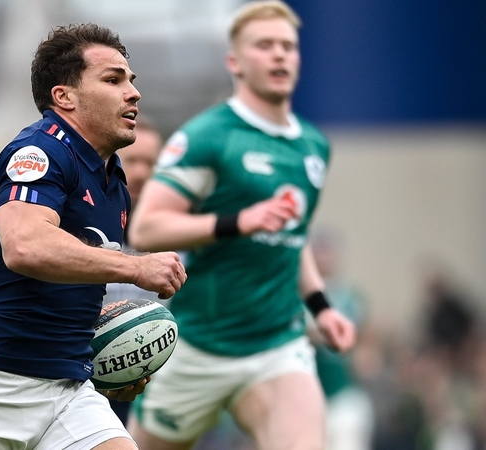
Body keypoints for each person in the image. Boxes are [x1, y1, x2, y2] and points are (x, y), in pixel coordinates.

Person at [0, 23, 186, 450]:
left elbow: (74, 285)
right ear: (64, 96)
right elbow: (25, 246)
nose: (133, 92)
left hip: (68, 390)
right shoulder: (40, 152)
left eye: (131, 81)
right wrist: (137, 267)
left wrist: (110, 357)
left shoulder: (113, 181)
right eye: (113, 79)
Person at [125, 2, 357, 450]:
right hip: (196, 345)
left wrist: (322, 306)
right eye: (265, 45)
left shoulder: (314, 145)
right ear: (235, 62)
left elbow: (292, 237)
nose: (279, 56)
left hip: (277, 345)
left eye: (288, 46)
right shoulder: (207, 136)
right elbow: (147, 229)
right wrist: (239, 222)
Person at [102, 117, 163, 425]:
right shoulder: (88, 224)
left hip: (156, 387)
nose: (142, 173)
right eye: (133, 161)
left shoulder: (178, 234)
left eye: (152, 163)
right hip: (85, 380)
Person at [308, 228, 374, 450]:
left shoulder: (350, 296)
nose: (323, 258)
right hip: (307, 392)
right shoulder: (297, 295)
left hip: (342, 389)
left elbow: (367, 340)